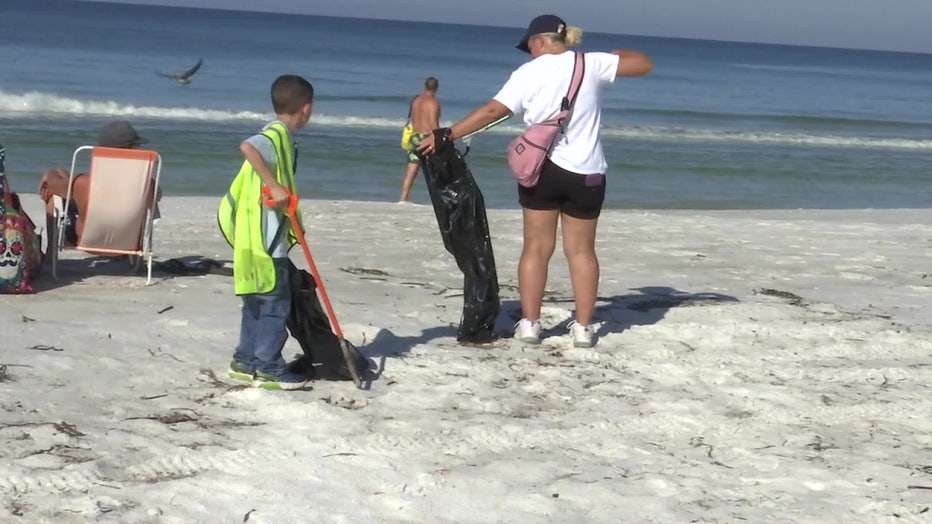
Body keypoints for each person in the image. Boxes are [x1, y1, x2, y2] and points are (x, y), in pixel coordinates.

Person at [417, 14, 653, 347]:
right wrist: (615, 52)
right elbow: (643, 64)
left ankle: (530, 324)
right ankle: (584, 328)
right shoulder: (592, 63)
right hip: (586, 171)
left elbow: (492, 112)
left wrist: (447, 135)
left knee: (536, 249)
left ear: (539, 41)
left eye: (529, 45)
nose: (528, 52)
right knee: (581, 251)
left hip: (540, 170)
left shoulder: (527, 73)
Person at [217, 74, 314, 390]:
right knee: (274, 306)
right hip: (266, 242)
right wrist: (273, 184)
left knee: (255, 305)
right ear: (306, 109)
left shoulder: (280, 137)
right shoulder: (275, 136)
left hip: (251, 240)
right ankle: (270, 367)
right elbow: (247, 146)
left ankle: (245, 362)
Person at [38, 120, 159, 245]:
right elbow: (157, 195)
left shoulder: (83, 184)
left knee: (53, 194)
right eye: (137, 146)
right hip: (128, 244)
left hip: (88, 242)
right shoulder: (145, 185)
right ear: (132, 149)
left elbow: (53, 185)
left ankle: (50, 254)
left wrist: (50, 173)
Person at [399, 76, 441, 203]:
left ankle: (403, 198)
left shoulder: (416, 100)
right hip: (427, 137)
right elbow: (434, 125)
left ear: (425, 86)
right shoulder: (433, 103)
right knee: (436, 169)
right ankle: (438, 199)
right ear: (436, 89)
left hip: (415, 136)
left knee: (412, 169)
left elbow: (413, 119)